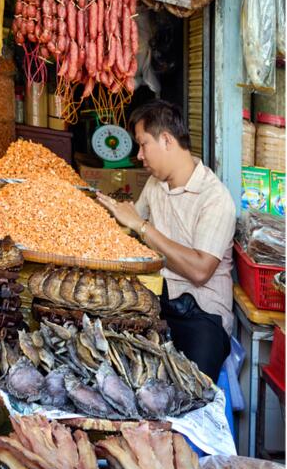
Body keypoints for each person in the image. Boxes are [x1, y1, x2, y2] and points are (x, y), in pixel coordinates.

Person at [96, 99, 236, 383]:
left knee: (190, 393)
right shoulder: (156, 184)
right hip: (159, 303)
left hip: (203, 316)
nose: (139, 155)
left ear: (167, 140)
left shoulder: (215, 198)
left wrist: (142, 225)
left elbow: (199, 270)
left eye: (143, 144)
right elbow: (133, 227)